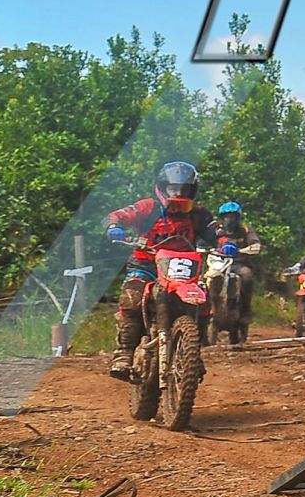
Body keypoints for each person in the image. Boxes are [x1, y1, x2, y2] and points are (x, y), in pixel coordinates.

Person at [102, 161, 205, 379]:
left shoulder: (198, 214)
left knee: (204, 302)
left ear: (192, 190)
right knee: (132, 298)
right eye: (173, 188)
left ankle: (193, 352)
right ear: (163, 187)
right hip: (146, 264)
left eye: (184, 189)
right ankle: (124, 352)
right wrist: (114, 227)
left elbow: (216, 230)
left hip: (183, 268)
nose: (178, 193)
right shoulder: (148, 208)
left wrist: (225, 242)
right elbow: (116, 215)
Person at [207, 201, 261, 339]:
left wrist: (246, 250)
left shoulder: (245, 230)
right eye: (227, 216)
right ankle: (203, 312)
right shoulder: (216, 230)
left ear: (238, 217)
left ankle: (245, 311)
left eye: (232, 216)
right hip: (218, 264)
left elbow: (255, 245)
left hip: (238, 263)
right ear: (222, 217)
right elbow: (204, 242)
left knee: (247, 277)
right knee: (203, 280)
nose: (229, 219)